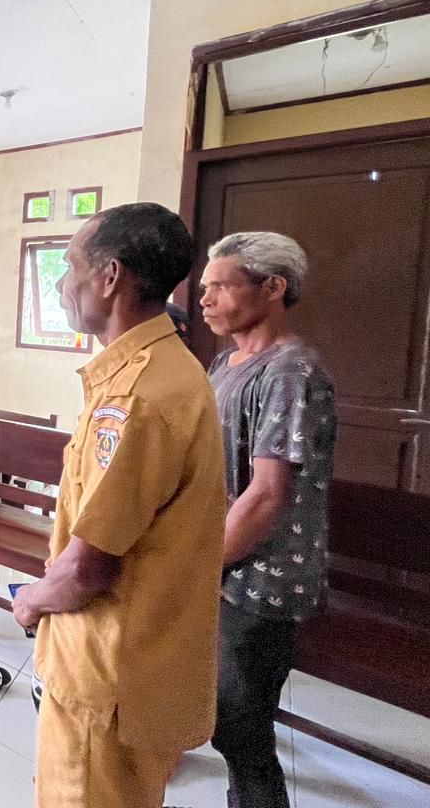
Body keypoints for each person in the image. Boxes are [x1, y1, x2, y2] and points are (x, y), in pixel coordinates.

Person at [10, 203, 227, 808]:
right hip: (138, 661)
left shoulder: (137, 398)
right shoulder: (161, 370)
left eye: (70, 266)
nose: (62, 284)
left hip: (106, 670)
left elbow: (89, 568)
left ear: (109, 277)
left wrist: (31, 600)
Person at [200, 232, 336, 808]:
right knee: (226, 715)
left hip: (260, 578)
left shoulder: (289, 371)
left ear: (273, 287)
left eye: (221, 286)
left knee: (242, 730)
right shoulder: (226, 362)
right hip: (223, 562)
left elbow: (267, 496)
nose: (205, 299)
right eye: (203, 287)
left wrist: (196, 567)